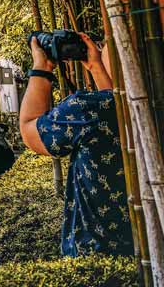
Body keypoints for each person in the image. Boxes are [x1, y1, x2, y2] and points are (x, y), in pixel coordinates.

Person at [19, 32, 133, 257]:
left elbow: (29, 129)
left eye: (107, 42)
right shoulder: (130, 107)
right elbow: (116, 104)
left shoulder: (88, 109)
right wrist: (97, 67)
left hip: (97, 256)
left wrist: (41, 67)